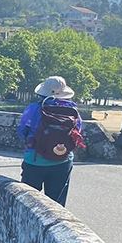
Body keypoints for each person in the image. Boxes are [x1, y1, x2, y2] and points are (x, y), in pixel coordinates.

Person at [17, 76, 84, 207]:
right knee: (56, 205)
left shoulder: (34, 108)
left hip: (34, 159)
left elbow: (22, 131)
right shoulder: (73, 111)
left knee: (28, 203)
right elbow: (78, 132)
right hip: (62, 160)